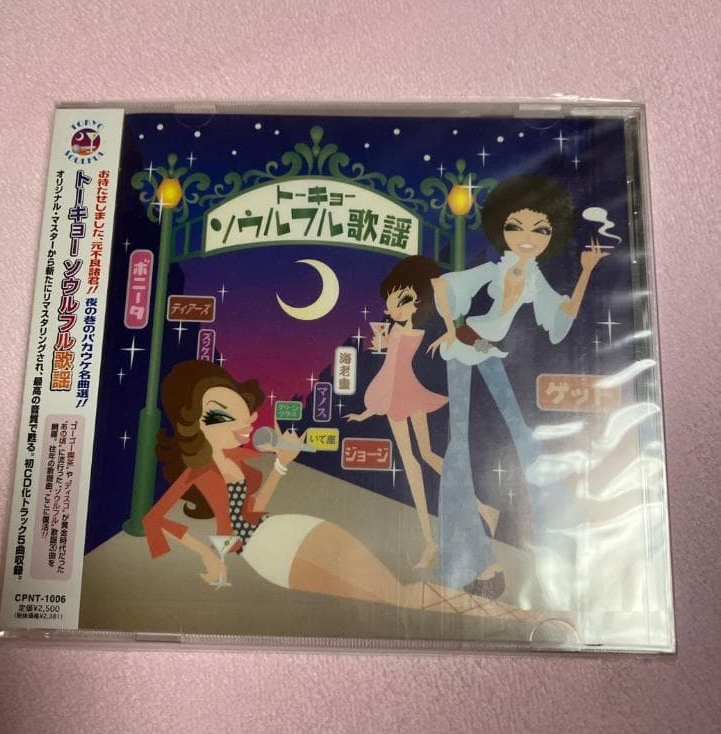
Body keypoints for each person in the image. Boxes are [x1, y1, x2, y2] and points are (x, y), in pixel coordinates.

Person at [142, 359, 534, 620]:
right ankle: (520, 617)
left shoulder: (239, 460)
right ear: (198, 421)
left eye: (239, 411)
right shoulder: (198, 471)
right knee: (400, 595)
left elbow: (254, 508)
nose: (242, 421)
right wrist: (207, 555)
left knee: (398, 591)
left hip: (286, 528)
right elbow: (153, 520)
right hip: (268, 554)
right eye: (223, 414)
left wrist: (281, 464)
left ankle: (515, 613)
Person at [428, 174, 609, 601]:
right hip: (468, 347)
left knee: (521, 431)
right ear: (501, 229)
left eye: (540, 230)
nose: (527, 237)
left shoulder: (534, 277)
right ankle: (469, 562)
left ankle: (559, 536)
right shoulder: (496, 268)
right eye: (516, 227)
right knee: (459, 444)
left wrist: (585, 272)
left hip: (489, 349)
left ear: (552, 235)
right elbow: (442, 285)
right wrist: (451, 329)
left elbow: (559, 322)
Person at [345, 256, 498, 569]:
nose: (394, 307)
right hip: (406, 393)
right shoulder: (405, 329)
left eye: (401, 300)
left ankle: (432, 542)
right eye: (391, 302)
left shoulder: (409, 330)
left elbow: (391, 368)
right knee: (426, 455)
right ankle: (480, 508)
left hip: (398, 394)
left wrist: (369, 409)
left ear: (416, 301)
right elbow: (390, 358)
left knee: (415, 462)